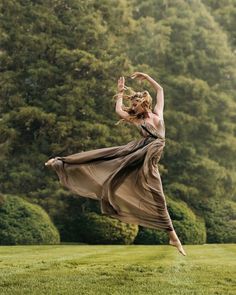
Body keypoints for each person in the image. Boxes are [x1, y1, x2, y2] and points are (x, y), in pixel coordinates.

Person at [45, 72, 186, 256]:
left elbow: (160, 90)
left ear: (144, 103)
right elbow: (119, 111)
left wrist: (147, 77)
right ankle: (61, 162)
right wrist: (119, 93)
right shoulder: (137, 119)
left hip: (150, 162)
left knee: (159, 197)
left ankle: (172, 237)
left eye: (135, 105)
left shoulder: (157, 114)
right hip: (138, 155)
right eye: (132, 105)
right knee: (106, 158)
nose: (133, 108)